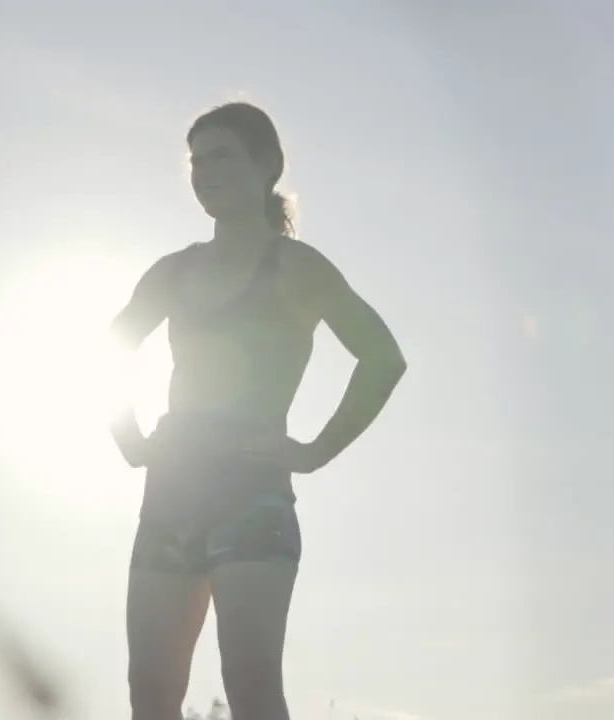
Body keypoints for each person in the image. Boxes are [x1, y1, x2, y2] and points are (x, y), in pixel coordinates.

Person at [107, 101, 407, 720]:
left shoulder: (296, 266)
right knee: (150, 688)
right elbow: (108, 348)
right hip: (169, 496)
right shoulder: (174, 271)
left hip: (252, 497)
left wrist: (314, 451)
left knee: (249, 681)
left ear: (267, 166)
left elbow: (382, 357)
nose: (205, 171)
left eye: (222, 155)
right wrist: (130, 440)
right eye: (196, 160)